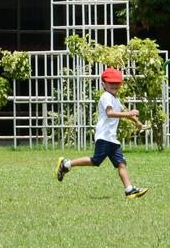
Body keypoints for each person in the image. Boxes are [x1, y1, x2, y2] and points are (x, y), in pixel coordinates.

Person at [55, 67, 149, 198]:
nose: (115, 86)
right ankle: (66, 164)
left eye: (117, 83)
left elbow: (122, 112)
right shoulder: (106, 97)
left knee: (121, 163)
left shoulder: (115, 99)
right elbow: (110, 113)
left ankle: (129, 190)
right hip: (104, 137)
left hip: (112, 138)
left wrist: (136, 122)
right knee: (96, 161)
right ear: (104, 84)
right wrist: (128, 114)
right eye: (111, 83)